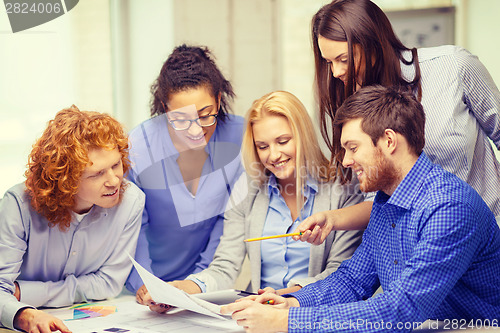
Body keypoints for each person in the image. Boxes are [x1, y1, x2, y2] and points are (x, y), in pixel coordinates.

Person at [221, 85, 500, 332]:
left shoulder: (449, 207)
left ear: (389, 141)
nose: (345, 161)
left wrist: (285, 323)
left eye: (352, 147)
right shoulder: (384, 200)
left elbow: (398, 311)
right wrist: (291, 303)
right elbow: (352, 280)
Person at [139, 90, 364, 313]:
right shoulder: (247, 190)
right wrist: (181, 289)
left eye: (283, 141)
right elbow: (225, 266)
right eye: (263, 146)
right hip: (258, 317)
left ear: (303, 135)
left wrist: (285, 296)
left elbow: (341, 273)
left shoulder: (343, 188)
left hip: (313, 315)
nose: (274, 155)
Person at [296, 0, 500, 242]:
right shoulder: (357, 107)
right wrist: (332, 219)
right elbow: (380, 203)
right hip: (418, 248)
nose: (336, 73)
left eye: (343, 59)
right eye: (329, 63)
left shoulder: (454, 67)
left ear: (373, 42)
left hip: (486, 240)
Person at [0, 106, 145, 333]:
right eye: (97, 173)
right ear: (65, 179)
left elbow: (109, 283)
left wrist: (26, 291)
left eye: (116, 165)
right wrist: (24, 316)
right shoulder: (18, 204)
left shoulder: (131, 201)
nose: (115, 181)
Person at [125, 45, 245, 304]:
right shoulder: (140, 144)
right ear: (164, 107)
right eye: (180, 119)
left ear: (219, 98)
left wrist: (197, 283)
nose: (195, 130)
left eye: (205, 115)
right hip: (142, 287)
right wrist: (149, 285)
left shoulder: (242, 137)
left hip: (203, 288)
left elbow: (228, 222)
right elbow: (133, 226)